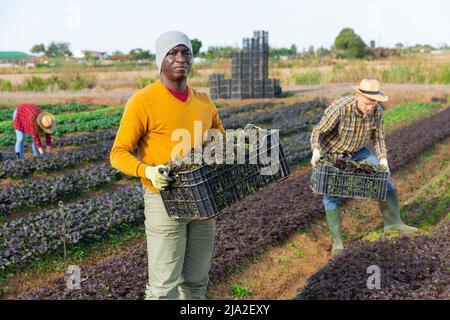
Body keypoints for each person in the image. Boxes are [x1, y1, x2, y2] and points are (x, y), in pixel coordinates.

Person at [110, 31, 225, 300]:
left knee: (196, 283)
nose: (180, 58)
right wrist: (147, 170)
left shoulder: (204, 102)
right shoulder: (143, 101)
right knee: (164, 288)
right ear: (160, 59)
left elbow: (221, 141)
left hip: (203, 200)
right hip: (165, 199)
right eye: (172, 53)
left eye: (185, 52)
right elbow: (118, 153)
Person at [310, 79, 417, 255]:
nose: (370, 108)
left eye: (373, 104)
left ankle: (393, 223)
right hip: (333, 154)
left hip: (359, 152)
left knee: (384, 179)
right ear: (358, 96)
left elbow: (379, 138)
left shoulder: (377, 112)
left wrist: (383, 160)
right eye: (367, 103)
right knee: (330, 194)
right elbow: (318, 131)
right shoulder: (341, 108)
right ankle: (338, 242)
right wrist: (316, 150)